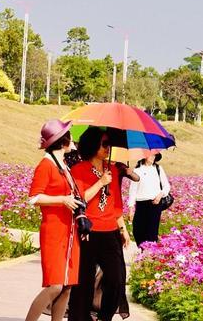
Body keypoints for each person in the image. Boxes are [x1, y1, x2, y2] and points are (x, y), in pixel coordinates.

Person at [68, 127, 137, 321]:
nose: (108, 148)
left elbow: (115, 204)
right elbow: (79, 199)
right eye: (104, 144)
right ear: (92, 145)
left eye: (109, 144)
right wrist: (100, 182)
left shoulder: (113, 169)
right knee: (85, 283)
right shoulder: (78, 170)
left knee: (116, 279)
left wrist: (123, 229)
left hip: (110, 232)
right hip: (88, 232)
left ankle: (104, 317)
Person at [25, 120, 85, 321]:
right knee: (55, 286)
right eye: (69, 135)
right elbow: (34, 198)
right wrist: (62, 200)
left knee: (67, 286)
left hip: (70, 231)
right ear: (63, 140)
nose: (73, 139)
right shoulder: (46, 165)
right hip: (54, 231)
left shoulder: (65, 166)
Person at [128, 152, 171, 247]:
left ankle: (149, 254)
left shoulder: (158, 168)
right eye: (151, 155)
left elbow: (166, 186)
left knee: (151, 232)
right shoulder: (137, 170)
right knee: (138, 230)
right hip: (141, 204)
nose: (153, 157)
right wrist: (131, 208)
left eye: (155, 155)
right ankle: (143, 249)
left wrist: (160, 195)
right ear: (145, 156)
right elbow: (133, 190)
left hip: (155, 204)